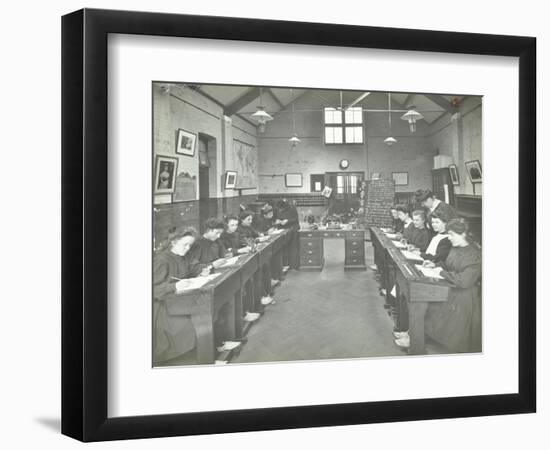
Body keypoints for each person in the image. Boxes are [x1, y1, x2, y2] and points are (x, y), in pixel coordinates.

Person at [395, 218, 482, 353]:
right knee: (420, 296)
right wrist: (435, 265)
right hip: (450, 285)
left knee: (422, 301)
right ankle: (413, 334)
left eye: (452, 234)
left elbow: (464, 281)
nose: (449, 238)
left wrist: (441, 272)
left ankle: (416, 339)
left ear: (463, 234)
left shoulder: (475, 255)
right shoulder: (456, 247)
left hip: (463, 295)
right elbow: (447, 265)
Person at [152, 227, 211, 364]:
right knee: (194, 324)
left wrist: (202, 270)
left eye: (190, 245)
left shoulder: (184, 255)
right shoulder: (161, 260)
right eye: (185, 244)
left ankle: (206, 352)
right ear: (173, 242)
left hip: (182, 299)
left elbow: (193, 268)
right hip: (162, 306)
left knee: (208, 311)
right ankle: (194, 359)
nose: (188, 248)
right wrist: (174, 286)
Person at [274, 199, 300, 271]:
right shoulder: (278, 209)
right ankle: (285, 264)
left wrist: (287, 221)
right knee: (284, 247)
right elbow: (277, 218)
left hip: (293, 228)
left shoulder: (292, 208)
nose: (280, 210)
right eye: (279, 209)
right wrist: (278, 221)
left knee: (293, 247)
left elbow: (295, 219)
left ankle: (293, 265)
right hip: (283, 229)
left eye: (281, 209)